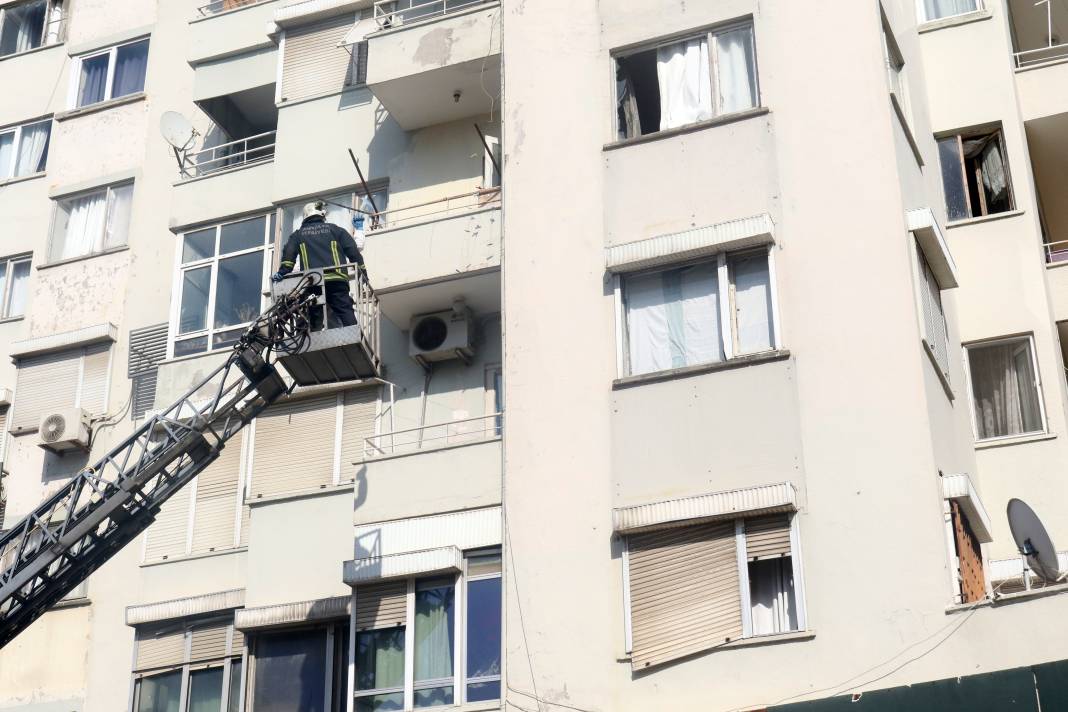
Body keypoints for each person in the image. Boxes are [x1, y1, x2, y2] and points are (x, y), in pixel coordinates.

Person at [272, 201, 366, 329]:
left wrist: (282, 272)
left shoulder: (298, 235)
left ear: (305, 216)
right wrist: (363, 274)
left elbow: (289, 257)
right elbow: (354, 252)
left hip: (314, 282)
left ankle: (313, 337)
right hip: (337, 280)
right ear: (322, 215)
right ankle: (355, 333)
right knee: (345, 311)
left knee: (314, 314)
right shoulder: (336, 230)